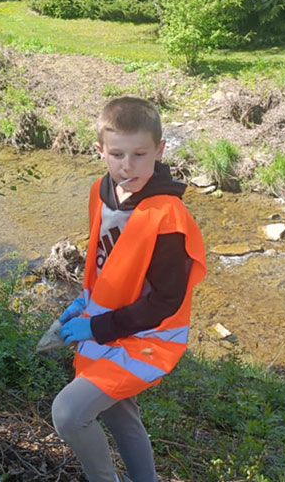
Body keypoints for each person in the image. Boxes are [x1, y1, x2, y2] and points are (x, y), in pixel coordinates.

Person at [52, 96, 206, 482]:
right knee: (120, 414)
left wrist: (96, 327)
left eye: (140, 154)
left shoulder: (168, 217)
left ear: (160, 150)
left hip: (148, 338)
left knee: (69, 413)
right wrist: (85, 301)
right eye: (117, 154)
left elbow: (165, 301)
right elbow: (106, 262)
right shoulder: (100, 191)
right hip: (109, 324)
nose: (128, 165)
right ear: (100, 150)